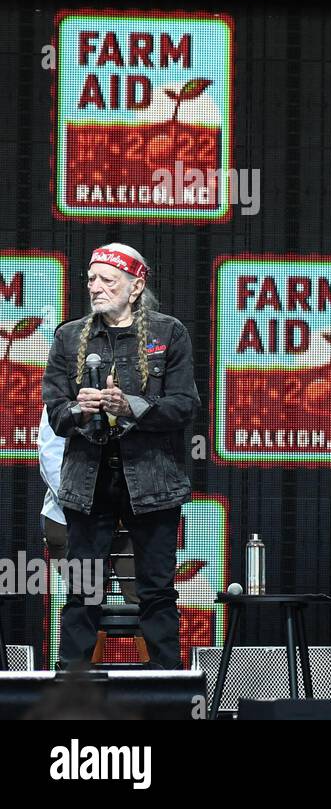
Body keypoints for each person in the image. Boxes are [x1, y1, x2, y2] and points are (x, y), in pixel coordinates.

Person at [41, 243, 199, 670]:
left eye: (107, 280)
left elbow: (186, 406)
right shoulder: (69, 336)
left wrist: (131, 406)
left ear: (136, 286)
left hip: (152, 482)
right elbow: (55, 413)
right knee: (82, 593)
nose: (95, 287)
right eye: (91, 279)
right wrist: (81, 408)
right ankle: (69, 700)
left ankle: (167, 698)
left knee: (158, 593)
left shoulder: (169, 334)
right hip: (87, 484)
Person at [38, 407, 139, 604]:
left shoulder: (137, 391)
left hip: (127, 518)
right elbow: (51, 457)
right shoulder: (66, 390)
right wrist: (86, 506)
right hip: (71, 520)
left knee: (145, 603)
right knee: (86, 602)